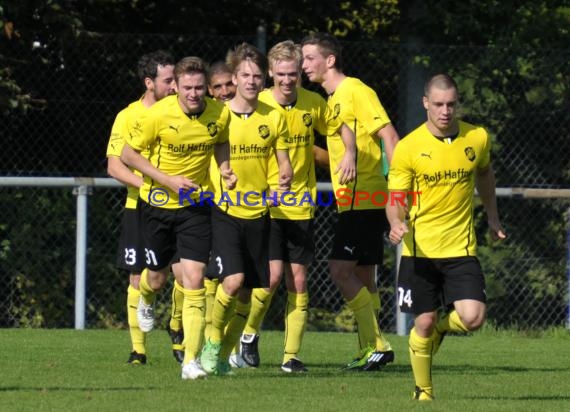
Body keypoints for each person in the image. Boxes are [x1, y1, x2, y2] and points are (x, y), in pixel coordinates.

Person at [234, 40, 357, 373]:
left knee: (298, 282)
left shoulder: (313, 103)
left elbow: (340, 125)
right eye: (281, 74)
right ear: (270, 74)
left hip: (302, 205)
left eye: (293, 74)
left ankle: (291, 356)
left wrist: (350, 152)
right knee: (271, 278)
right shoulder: (256, 104)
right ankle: (247, 336)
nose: (287, 80)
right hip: (266, 205)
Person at [386, 73, 507, 400]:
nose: (445, 111)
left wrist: (493, 217)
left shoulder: (477, 138)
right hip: (419, 251)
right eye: (438, 104)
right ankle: (423, 392)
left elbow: (484, 173)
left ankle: (441, 328)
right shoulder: (409, 147)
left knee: (474, 318)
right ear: (426, 102)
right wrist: (396, 222)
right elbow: (395, 198)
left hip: (460, 248)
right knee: (421, 322)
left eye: (451, 104)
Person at [120, 56, 237, 380]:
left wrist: (225, 169)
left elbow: (221, 142)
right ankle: (144, 297)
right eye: (187, 87)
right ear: (177, 87)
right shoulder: (159, 114)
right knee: (155, 279)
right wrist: (167, 179)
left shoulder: (219, 113)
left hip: (195, 205)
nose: (194, 93)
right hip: (157, 205)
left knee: (194, 278)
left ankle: (190, 362)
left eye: (200, 87)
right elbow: (128, 155)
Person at [301, 32, 400, 370]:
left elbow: (389, 136)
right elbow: (339, 156)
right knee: (365, 278)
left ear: (330, 60)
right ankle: (368, 350)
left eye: (309, 57)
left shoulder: (355, 91)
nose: (303, 65)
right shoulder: (332, 101)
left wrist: (399, 190)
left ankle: (378, 344)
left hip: (366, 198)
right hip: (354, 199)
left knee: (339, 270)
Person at [199, 42, 293, 376]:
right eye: (245, 75)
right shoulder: (220, 116)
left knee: (247, 293)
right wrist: (221, 171)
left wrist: (283, 180)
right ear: (234, 78)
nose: (251, 81)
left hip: (259, 213)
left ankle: (224, 355)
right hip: (225, 210)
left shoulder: (274, 117)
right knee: (232, 281)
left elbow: (283, 163)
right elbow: (205, 150)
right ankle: (211, 344)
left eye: (256, 76)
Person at [106, 50, 177, 365]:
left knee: (187, 274)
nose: (175, 86)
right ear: (150, 83)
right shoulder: (129, 115)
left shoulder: (182, 112)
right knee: (142, 277)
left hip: (182, 207)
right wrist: (153, 185)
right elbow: (115, 166)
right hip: (142, 207)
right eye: (168, 80)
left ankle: (179, 332)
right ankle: (139, 350)